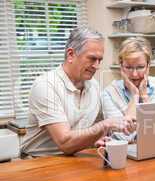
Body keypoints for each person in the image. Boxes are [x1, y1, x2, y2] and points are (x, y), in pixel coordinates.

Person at [21, 27, 135, 157]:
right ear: (71, 55)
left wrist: (94, 139)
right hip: (38, 162)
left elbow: (90, 130)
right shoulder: (46, 85)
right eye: (92, 58)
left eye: (100, 60)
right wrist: (106, 125)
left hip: (74, 158)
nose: (97, 66)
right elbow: (65, 143)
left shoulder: (94, 86)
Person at [100, 37, 155, 142]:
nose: (135, 74)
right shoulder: (109, 93)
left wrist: (144, 98)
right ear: (121, 67)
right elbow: (124, 137)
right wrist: (135, 95)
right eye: (129, 67)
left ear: (148, 66)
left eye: (140, 67)